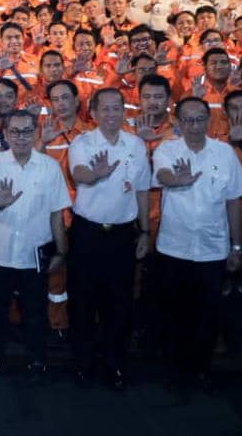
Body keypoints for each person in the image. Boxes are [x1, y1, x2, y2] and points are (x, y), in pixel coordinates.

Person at [150, 97, 242, 391]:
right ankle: (175, 369)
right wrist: (178, 180)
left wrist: (235, 247)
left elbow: (233, 201)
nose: (194, 126)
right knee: (174, 312)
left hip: (213, 247)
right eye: (188, 120)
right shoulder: (167, 149)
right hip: (174, 247)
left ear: (209, 121)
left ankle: (202, 367)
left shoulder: (224, 153)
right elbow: (163, 175)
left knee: (207, 313)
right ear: (178, 122)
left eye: (199, 120)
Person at [67, 87, 151, 389]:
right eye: (105, 108)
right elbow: (79, 174)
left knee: (120, 304)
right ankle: (82, 364)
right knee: (83, 302)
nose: (112, 114)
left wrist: (145, 231)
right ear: (93, 112)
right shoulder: (83, 142)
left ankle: (115, 364)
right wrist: (96, 173)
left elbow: (142, 190)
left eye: (117, 108)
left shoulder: (136, 144)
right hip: (87, 233)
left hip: (121, 236)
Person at [0, 109, 70, 377]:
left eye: (27, 131)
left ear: (36, 132)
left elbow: (56, 213)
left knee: (35, 313)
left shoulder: (50, 167)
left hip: (34, 254)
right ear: (5, 134)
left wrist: (61, 251)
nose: (21, 137)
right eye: (14, 131)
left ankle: (37, 360)